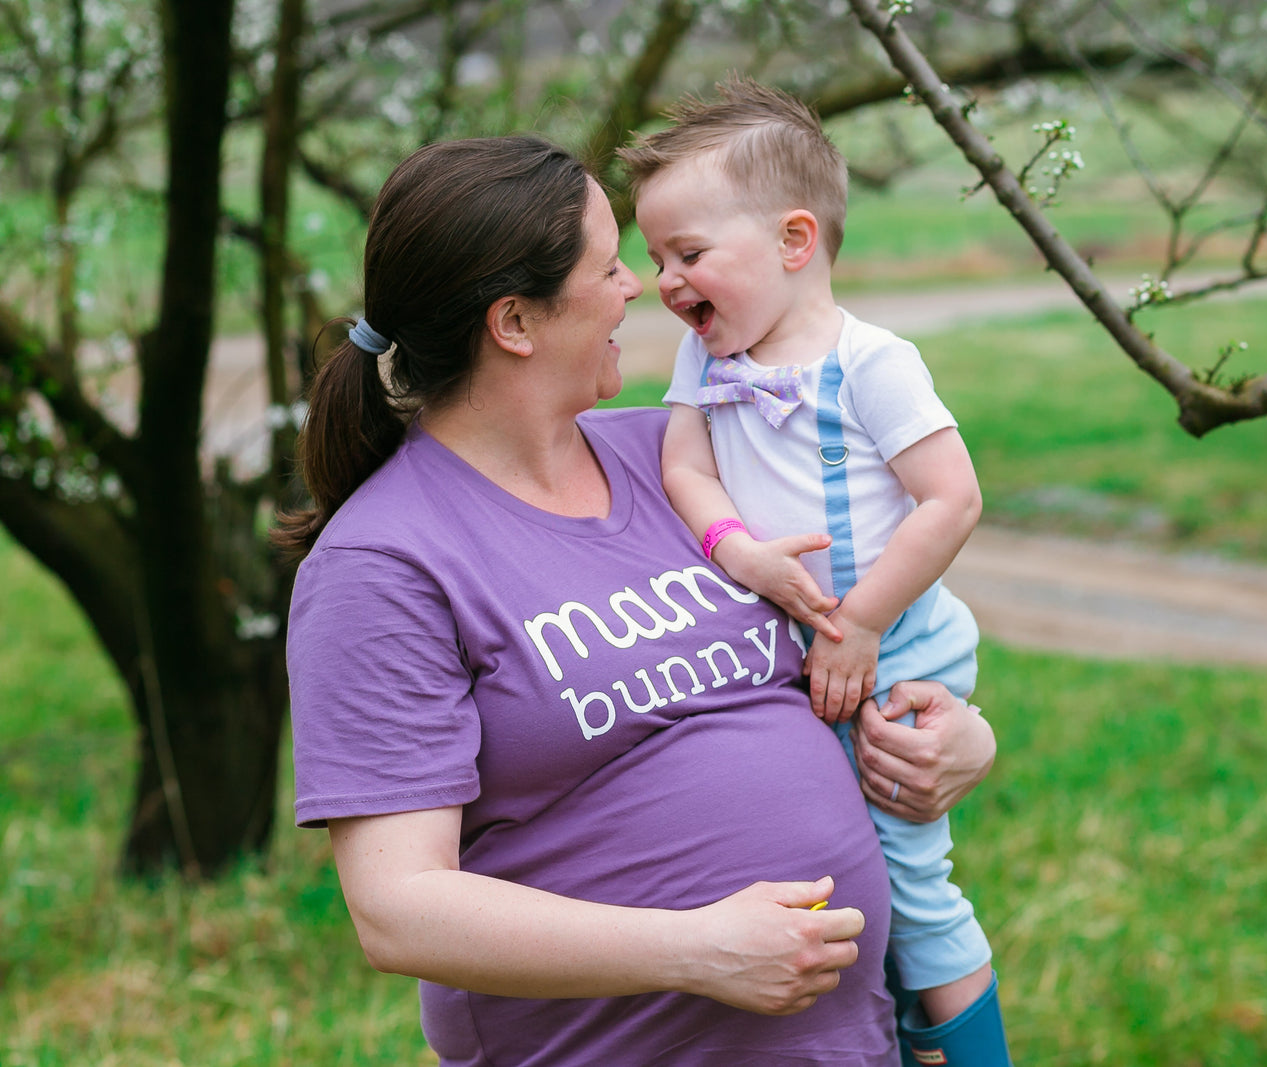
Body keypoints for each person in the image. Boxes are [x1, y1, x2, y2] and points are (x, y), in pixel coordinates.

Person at [276, 133, 998, 1067]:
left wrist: (957, 740)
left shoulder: (677, 460)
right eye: (610, 264)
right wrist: (697, 949)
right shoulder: (383, 563)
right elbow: (398, 909)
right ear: (515, 322)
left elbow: (859, 630)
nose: (638, 288)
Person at [620, 78, 1012, 1065]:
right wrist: (736, 548)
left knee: (908, 879)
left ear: (794, 240)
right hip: (798, 648)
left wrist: (864, 621)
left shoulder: (872, 362)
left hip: (889, 643)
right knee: (833, 865)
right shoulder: (706, 362)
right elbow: (685, 468)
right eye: (656, 258)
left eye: (689, 254)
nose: (666, 281)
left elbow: (951, 498)